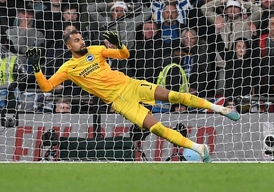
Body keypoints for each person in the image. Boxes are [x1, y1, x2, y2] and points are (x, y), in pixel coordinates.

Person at [27, 30, 240, 162]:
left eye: (81, 38)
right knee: (157, 128)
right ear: (68, 46)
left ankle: (222, 109)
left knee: (175, 96)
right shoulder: (68, 68)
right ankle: (199, 148)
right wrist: (37, 68)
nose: (81, 42)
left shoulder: (97, 49)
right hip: (119, 102)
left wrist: (119, 45)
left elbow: (124, 55)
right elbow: (46, 87)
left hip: (131, 85)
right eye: (76, 40)